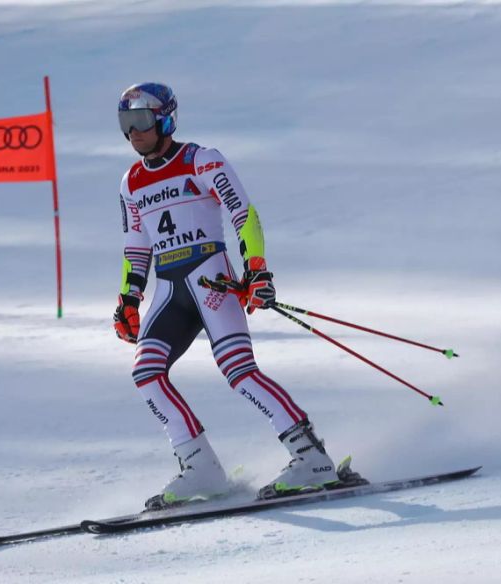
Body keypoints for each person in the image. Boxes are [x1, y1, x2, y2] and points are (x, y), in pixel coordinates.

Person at [112, 82, 352, 510]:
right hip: (169, 289)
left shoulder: (201, 160)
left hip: (211, 280)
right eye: (126, 124)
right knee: (146, 373)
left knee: (239, 371)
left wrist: (255, 270)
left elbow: (244, 213)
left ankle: (311, 457)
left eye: (142, 121)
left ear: (166, 119)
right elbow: (136, 244)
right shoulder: (131, 182)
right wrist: (129, 298)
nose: (134, 133)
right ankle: (200, 466)